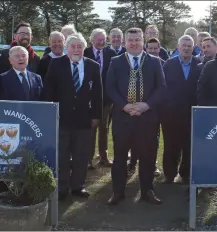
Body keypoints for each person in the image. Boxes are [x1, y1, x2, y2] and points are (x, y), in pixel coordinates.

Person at [106, 27, 166, 205]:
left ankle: (147, 191)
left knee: (148, 156)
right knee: (120, 157)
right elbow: (110, 88)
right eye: (130, 40)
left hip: (147, 118)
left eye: (137, 39)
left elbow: (161, 87)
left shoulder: (155, 62)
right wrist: (124, 106)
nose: (133, 43)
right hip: (123, 118)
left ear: (143, 40)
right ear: (125, 42)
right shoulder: (116, 62)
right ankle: (118, 192)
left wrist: (146, 105)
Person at [44, 33, 103, 200]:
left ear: (84, 48)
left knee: (81, 154)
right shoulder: (56, 64)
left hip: (84, 119)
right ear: (66, 48)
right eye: (73, 46)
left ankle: (78, 185)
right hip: (61, 118)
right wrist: (50, 113)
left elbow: (98, 94)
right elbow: (49, 91)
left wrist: (96, 116)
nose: (76, 49)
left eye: (80, 47)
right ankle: (62, 187)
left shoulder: (93, 66)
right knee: (62, 154)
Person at [161, 35, 201, 185]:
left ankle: (185, 174)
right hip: (170, 113)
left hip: (191, 113)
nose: (186, 48)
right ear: (178, 46)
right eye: (183, 45)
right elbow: (163, 88)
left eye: (189, 46)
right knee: (171, 145)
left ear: (193, 47)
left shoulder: (199, 64)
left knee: (188, 145)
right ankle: (169, 174)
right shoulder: (168, 64)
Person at [129, 37, 164, 177]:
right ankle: (132, 162)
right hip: (136, 107)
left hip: (154, 108)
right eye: (150, 48)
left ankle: (152, 164)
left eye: (156, 48)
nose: (153, 51)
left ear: (159, 49)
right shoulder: (138, 63)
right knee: (132, 136)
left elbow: (162, 87)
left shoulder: (162, 63)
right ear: (146, 48)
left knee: (152, 139)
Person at [84, 28, 117, 169]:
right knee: (91, 129)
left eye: (103, 38)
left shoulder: (111, 53)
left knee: (105, 128)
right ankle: (88, 159)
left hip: (107, 99)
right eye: (98, 39)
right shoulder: (85, 53)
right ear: (92, 40)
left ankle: (103, 156)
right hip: (89, 99)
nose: (101, 41)